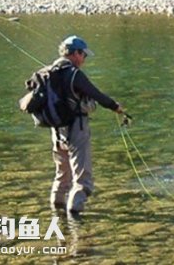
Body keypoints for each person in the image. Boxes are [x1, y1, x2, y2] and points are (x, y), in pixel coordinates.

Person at [50, 35, 123, 217]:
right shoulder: (75, 74)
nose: (84, 59)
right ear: (76, 53)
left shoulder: (50, 71)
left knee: (62, 174)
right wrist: (116, 107)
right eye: (84, 55)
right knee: (83, 180)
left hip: (57, 131)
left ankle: (56, 208)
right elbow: (96, 94)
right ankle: (75, 215)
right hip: (76, 129)